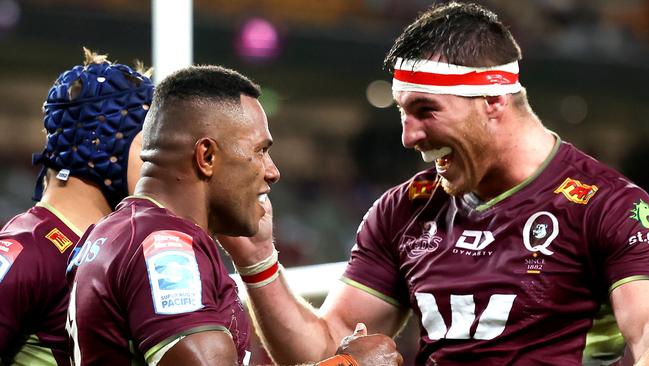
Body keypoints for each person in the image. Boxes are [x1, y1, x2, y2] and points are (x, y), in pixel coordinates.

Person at [217, 2, 649, 366]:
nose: (409, 136)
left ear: (495, 99)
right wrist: (257, 258)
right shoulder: (403, 210)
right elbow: (328, 348)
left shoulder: (609, 207)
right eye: (403, 113)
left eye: (425, 110)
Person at [65, 65, 403, 366]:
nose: (273, 172)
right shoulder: (166, 247)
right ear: (207, 156)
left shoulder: (117, 231)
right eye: (260, 151)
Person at [0, 48, 154, 365]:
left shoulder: (114, 250)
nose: (157, 159)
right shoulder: (28, 251)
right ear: (103, 143)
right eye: (148, 143)